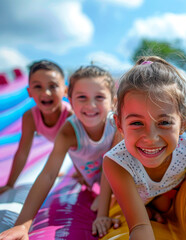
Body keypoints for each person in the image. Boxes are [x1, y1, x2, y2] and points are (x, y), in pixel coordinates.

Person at [0, 65, 121, 239]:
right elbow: (48, 175)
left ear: (113, 102)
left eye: (100, 97)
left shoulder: (115, 126)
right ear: (70, 100)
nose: (91, 105)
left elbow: (114, 166)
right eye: (82, 97)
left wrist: (103, 211)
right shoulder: (68, 131)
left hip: (114, 175)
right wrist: (22, 225)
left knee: (100, 203)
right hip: (92, 172)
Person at [102, 56, 186, 240]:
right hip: (137, 197)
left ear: (183, 123)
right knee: (160, 206)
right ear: (119, 125)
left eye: (164, 122)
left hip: (165, 194)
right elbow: (140, 226)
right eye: (136, 123)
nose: (151, 138)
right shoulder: (118, 163)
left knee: (165, 204)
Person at [0, 60, 72, 194]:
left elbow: (83, 147)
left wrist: (78, 173)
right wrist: (10, 184)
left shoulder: (69, 116)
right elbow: (22, 152)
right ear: (29, 92)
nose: (46, 92)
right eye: (38, 86)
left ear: (65, 91)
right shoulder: (30, 117)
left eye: (53, 86)